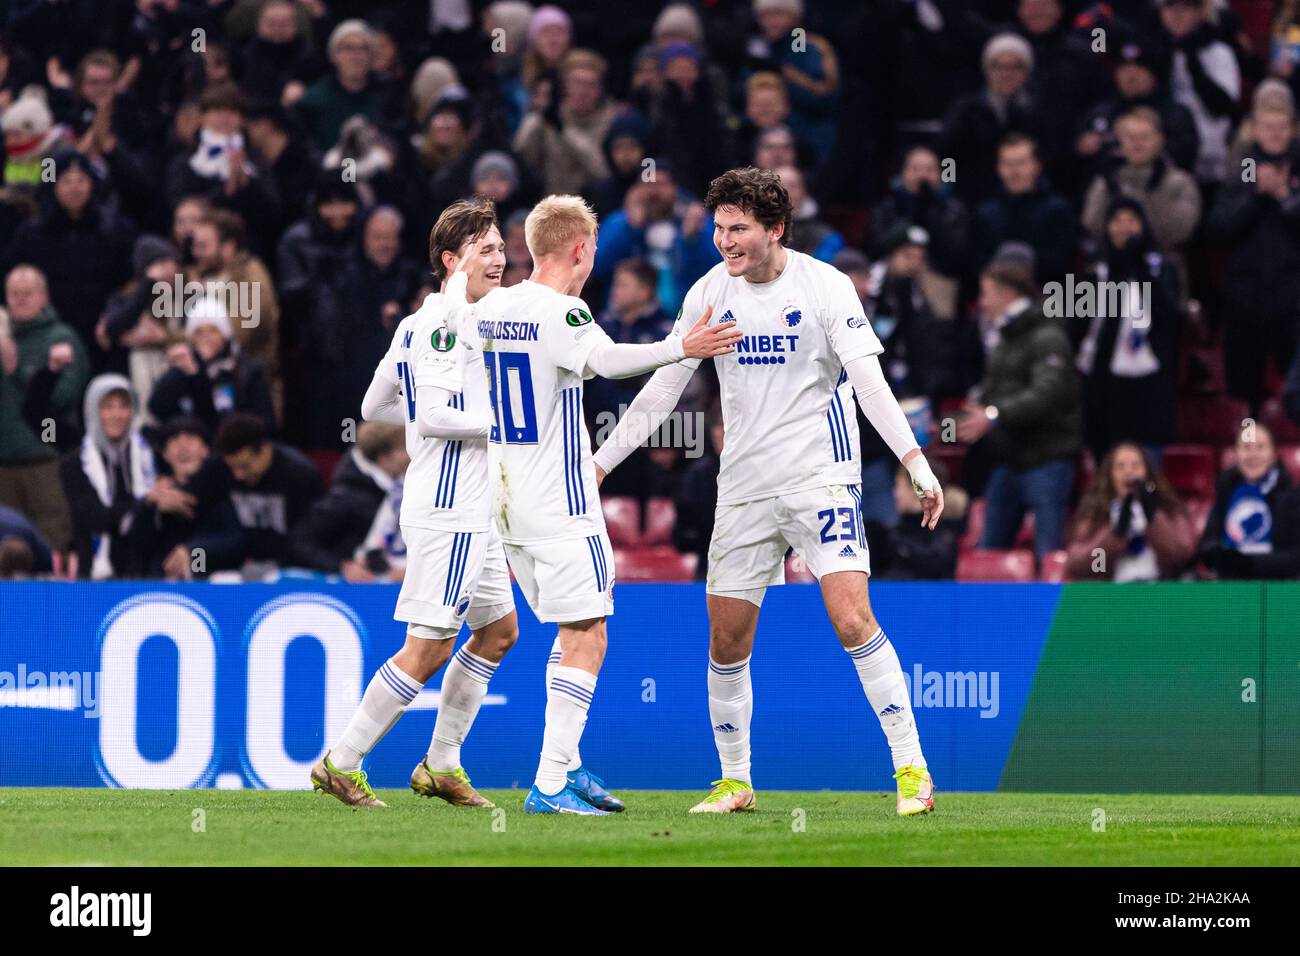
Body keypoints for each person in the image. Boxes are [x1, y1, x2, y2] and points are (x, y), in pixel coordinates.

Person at [592, 167, 944, 817]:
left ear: (775, 229)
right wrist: (600, 465)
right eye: (720, 228)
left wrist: (915, 461)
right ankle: (735, 781)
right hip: (744, 489)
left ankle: (911, 769)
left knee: (851, 617)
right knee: (727, 641)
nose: (725, 241)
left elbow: (868, 380)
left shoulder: (825, 286)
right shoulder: (708, 291)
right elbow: (664, 387)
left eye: (740, 229)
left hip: (822, 478)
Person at [447, 194, 740, 815]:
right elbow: (608, 361)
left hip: (504, 500)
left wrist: (452, 278)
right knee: (589, 632)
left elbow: (453, 320)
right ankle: (551, 782)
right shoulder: (564, 312)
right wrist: (682, 346)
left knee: (570, 624)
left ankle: (568, 766)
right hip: (561, 499)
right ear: (580, 249)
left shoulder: (492, 304)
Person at [311, 198, 522, 811]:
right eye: (485, 250)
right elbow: (429, 417)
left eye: (502, 247)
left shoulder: (416, 326)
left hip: (474, 511)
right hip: (450, 509)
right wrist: (502, 424)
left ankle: (441, 764)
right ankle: (341, 762)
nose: (500, 259)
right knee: (428, 645)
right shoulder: (440, 327)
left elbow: (376, 406)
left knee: (498, 632)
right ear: (451, 261)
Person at [958, 258, 1082, 558]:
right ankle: (987, 607)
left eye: (986, 293)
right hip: (1009, 460)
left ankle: (1050, 607)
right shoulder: (1005, 338)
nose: (982, 302)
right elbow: (990, 393)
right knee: (989, 552)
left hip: (1047, 461)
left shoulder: (1048, 336)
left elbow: (1047, 393)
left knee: (1048, 553)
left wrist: (994, 415)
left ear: (1007, 294)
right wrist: (957, 420)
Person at [1073, 197, 1184, 461]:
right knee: (1105, 474)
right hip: (1103, 386)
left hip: (1148, 388)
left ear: (1143, 226)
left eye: (1131, 220)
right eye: (1117, 221)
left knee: (1147, 470)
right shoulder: (1093, 271)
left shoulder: (1163, 268)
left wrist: (1142, 271)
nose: (1124, 227)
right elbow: (1078, 326)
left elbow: (1170, 319)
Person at [0, 264, 89, 558]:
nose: (20, 299)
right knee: (7, 552)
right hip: (3, 466)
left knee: (54, 546)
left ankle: (55, 604)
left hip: (47, 460)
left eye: (28, 293)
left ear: (44, 297)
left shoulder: (61, 338)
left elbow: (65, 396)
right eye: (14, 293)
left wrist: (18, 372)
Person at [172, 412, 322, 579]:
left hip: (292, 569)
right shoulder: (219, 469)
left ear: (265, 450)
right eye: (232, 468)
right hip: (237, 565)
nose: (238, 475)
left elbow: (309, 540)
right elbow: (190, 509)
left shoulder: (300, 475)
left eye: (245, 466)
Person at [59, 374, 157, 579]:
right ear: (93, 411)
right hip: (96, 575)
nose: (117, 415)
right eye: (108, 407)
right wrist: (146, 502)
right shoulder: (75, 463)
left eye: (124, 406)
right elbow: (94, 517)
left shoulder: (148, 455)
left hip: (146, 570)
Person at [287, 421, 409, 580]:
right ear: (384, 458)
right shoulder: (347, 499)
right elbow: (300, 541)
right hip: (357, 591)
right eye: (403, 448)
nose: (410, 454)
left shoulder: (399, 487)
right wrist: (341, 566)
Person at [1066, 442, 1196, 581]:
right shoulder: (1096, 512)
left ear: (1148, 473)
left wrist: (1152, 517)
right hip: (1111, 594)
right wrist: (1115, 534)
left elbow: (1181, 555)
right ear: (1109, 476)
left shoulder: (1168, 506)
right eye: (1120, 466)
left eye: (1135, 465)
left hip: (1161, 592)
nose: (1129, 472)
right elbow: (1084, 566)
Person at [1196, 424, 1300, 579]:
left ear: (1273, 453)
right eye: (1246, 447)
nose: (1253, 455)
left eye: (1260, 447)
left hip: (1274, 584)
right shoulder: (1225, 489)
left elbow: (1295, 557)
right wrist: (1220, 558)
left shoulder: (1291, 495)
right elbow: (1208, 545)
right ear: (1236, 453)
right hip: (1229, 583)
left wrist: (1247, 563)